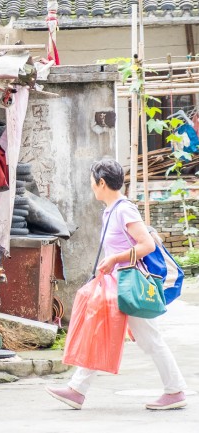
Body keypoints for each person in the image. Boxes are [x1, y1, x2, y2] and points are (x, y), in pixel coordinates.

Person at [46, 159, 187, 410]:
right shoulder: (110, 210)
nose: (91, 186)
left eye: (93, 182)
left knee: (150, 340)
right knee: (98, 329)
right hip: (116, 285)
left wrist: (114, 259)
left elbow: (147, 245)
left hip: (129, 286)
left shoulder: (124, 210)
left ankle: (175, 390)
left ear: (102, 183)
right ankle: (77, 390)